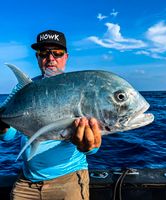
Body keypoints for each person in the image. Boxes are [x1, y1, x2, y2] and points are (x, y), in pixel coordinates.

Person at [0, 30, 102, 200]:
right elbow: (9, 136)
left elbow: (92, 147)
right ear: (37, 58)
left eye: (57, 53)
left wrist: (89, 146)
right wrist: (2, 125)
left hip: (68, 181)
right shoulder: (26, 89)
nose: (51, 58)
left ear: (66, 57)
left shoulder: (77, 88)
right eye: (44, 53)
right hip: (27, 182)